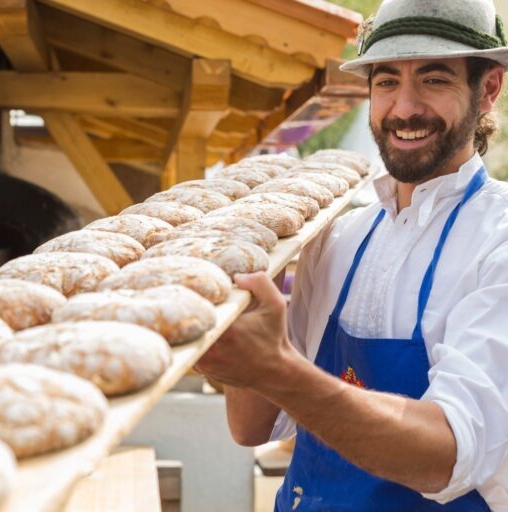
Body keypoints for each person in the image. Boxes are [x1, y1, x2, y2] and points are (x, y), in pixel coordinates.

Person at [195, 0, 508, 509]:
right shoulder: (337, 239)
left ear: (487, 89)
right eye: (386, 82)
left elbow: (449, 455)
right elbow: (253, 428)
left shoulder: (499, 241)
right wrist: (240, 329)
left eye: (433, 80)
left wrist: (274, 368)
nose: (404, 108)